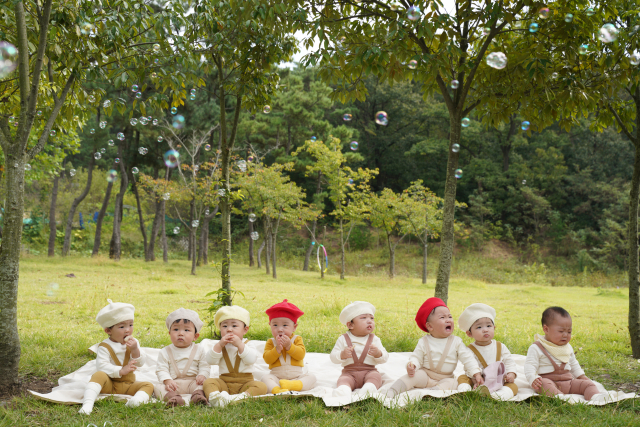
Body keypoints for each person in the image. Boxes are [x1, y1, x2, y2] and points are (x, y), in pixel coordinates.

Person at [386, 297, 483, 397]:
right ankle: (392, 391)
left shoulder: (456, 342)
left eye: (449, 316)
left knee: (453, 383)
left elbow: (468, 358)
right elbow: (416, 356)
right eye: (442, 317)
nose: (448, 320)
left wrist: (476, 373)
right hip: (425, 375)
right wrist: (413, 365)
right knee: (412, 376)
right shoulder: (424, 341)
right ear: (430, 326)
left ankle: (432, 392)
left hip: (445, 377)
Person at [79, 299, 153, 415]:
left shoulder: (134, 343)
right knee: (98, 375)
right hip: (109, 384)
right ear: (108, 330)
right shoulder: (105, 346)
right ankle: (87, 404)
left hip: (128, 385)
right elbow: (102, 366)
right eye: (122, 327)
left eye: (130, 325)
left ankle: (134, 402)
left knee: (148, 385)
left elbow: (140, 363)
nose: (128, 330)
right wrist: (121, 370)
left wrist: (135, 350)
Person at [525, 306, 606, 402]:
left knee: (588, 384)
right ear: (546, 329)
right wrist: (533, 378)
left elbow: (574, 364)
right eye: (561, 331)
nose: (565, 335)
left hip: (568, 383)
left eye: (569, 332)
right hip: (549, 381)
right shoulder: (537, 347)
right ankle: (558, 397)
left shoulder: (567, 347)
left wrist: (581, 377)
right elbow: (530, 366)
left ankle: (594, 397)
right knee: (543, 384)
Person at [203, 306, 267, 406]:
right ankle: (215, 398)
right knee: (209, 382)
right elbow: (210, 361)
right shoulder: (219, 345)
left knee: (261, 386)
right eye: (224, 326)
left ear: (245, 330)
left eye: (234, 326)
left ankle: (240, 397)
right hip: (224, 382)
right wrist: (219, 345)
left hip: (245, 383)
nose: (229, 330)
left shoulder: (248, 344)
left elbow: (251, 359)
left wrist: (239, 345)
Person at [457, 303, 518, 400]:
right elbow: (470, 366)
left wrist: (511, 373)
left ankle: (500, 396)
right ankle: (465, 391)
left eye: (489, 326)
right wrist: (475, 377)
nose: (485, 330)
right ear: (469, 333)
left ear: (494, 328)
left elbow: (509, 361)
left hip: (498, 380)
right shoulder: (469, 349)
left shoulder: (500, 346)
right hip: (479, 380)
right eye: (479, 327)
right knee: (462, 378)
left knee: (513, 386)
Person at [330, 301, 389, 397]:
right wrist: (342, 354)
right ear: (350, 325)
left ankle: (369, 388)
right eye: (363, 318)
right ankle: (343, 390)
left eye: (372, 318)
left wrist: (378, 353)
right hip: (349, 372)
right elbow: (333, 357)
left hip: (369, 371)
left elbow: (385, 357)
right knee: (343, 379)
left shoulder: (374, 339)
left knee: (376, 377)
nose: (369, 321)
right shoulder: (343, 339)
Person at [155, 308, 210, 406]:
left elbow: (205, 366)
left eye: (186, 330)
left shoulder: (199, 349)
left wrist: (202, 375)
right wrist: (167, 380)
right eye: (176, 329)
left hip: (193, 382)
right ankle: (174, 398)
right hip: (173, 384)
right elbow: (161, 369)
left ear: (195, 336)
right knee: (157, 387)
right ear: (169, 333)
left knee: (206, 384)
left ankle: (197, 397)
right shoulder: (165, 351)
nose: (180, 333)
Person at [261, 300, 317, 394]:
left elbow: (300, 355)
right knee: (265, 378)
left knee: (312, 377)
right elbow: (267, 359)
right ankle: (277, 390)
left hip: (296, 377)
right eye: (275, 325)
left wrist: (289, 346)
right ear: (270, 325)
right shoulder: (271, 342)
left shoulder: (296, 339)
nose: (279, 329)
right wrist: (277, 349)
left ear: (294, 327)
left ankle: (292, 385)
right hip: (277, 377)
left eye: (285, 325)